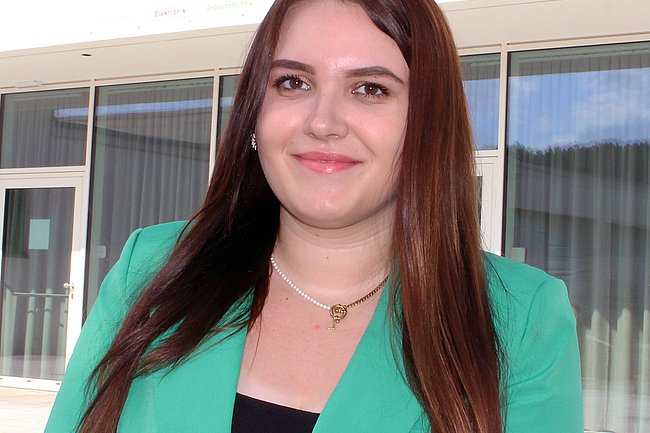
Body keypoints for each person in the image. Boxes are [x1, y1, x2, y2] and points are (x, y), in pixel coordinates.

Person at [45, 1, 583, 432]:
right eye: (293, 83)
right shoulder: (150, 268)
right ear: (255, 114)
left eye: (370, 89)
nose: (323, 122)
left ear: (427, 125)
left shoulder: (521, 319)